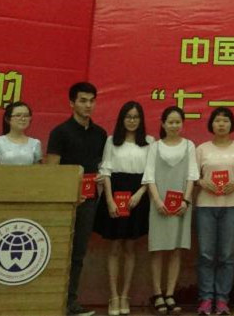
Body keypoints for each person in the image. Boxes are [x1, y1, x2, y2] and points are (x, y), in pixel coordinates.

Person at [46, 81, 108, 316]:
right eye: (83, 100)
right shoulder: (60, 132)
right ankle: (52, 300)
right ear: (72, 103)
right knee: (58, 250)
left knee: (78, 253)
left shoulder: (100, 134)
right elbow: (52, 170)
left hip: (89, 201)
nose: (88, 105)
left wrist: (101, 177)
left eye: (92, 101)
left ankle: (71, 302)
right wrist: (67, 194)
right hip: (63, 203)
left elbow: (101, 165)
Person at [93, 101, 153, 316]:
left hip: (137, 196)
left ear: (141, 120)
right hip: (115, 191)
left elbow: (150, 173)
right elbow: (106, 170)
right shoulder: (111, 141)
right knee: (114, 247)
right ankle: (114, 296)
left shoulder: (149, 142)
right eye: (128, 117)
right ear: (122, 119)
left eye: (136, 117)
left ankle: (125, 295)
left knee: (130, 247)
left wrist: (139, 194)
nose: (132, 121)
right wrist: (109, 200)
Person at [194, 107, 234, 316]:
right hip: (205, 206)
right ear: (211, 124)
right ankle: (206, 298)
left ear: (231, 124)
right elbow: (194, 176)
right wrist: (203, 183)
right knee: (206, 254)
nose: (221, 124)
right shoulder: (202, 149)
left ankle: (223, 299)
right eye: (217, 120)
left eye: (225, 121)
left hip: (232, 206)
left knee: (227, 255)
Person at [143, 106, 198, 316]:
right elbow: (149, 176)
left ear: (182, 124)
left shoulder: (189, 145)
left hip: (182, 205)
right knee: (157, 249)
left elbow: (192, 175)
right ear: (163, 124)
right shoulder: (154, 147)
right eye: (170, 122)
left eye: (178, 122)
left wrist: (186, 200)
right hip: (159, 204)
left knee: (176, 249)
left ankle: (170, 293)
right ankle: (157, 293)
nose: (174, 126)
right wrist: (157, 201)